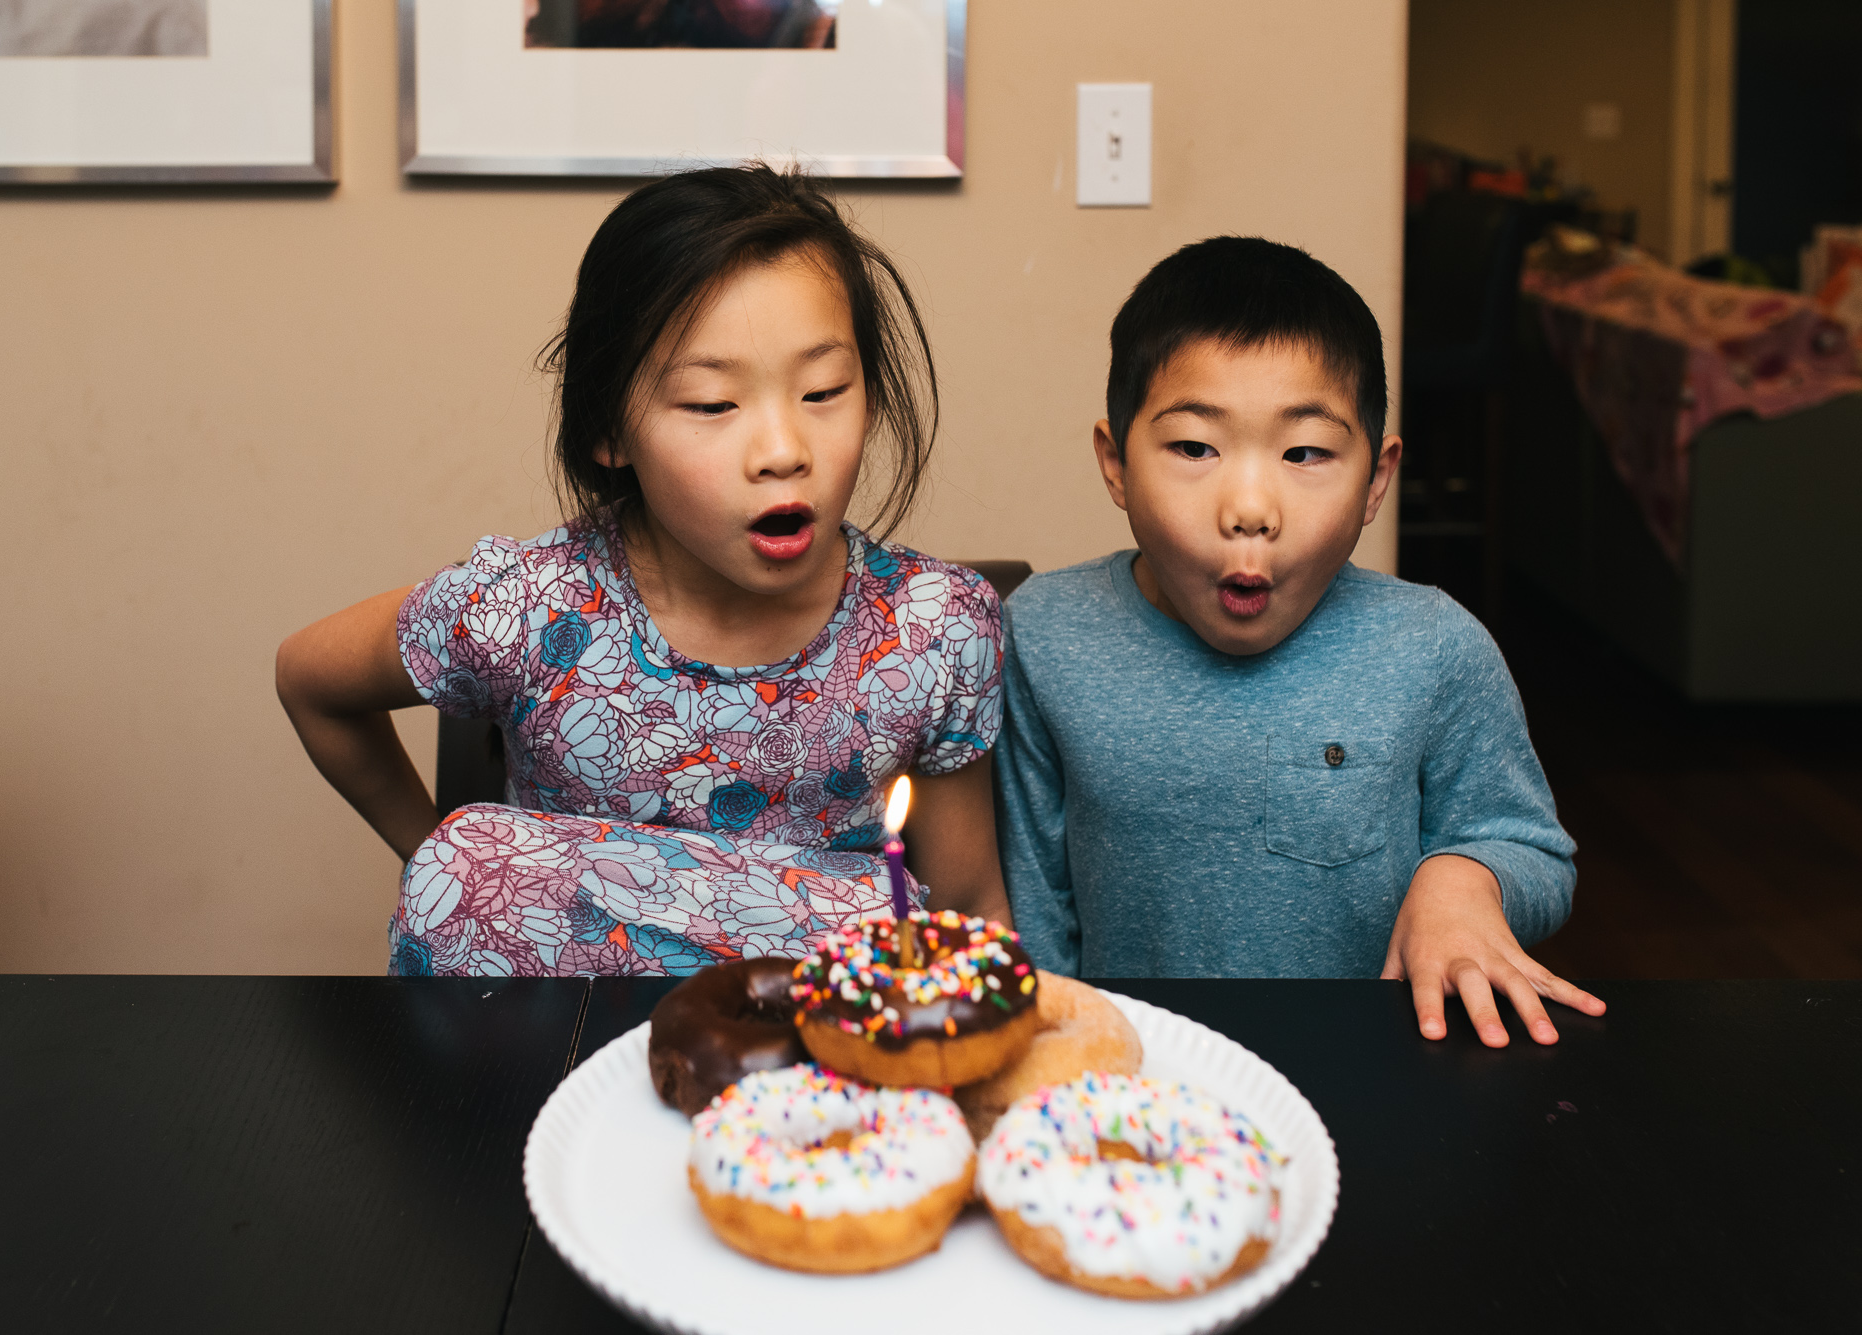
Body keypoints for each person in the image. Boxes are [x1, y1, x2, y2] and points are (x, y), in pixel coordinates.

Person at [277, 165, 1006, 977]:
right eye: (711, 404)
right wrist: (436, 865)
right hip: (573, 1055)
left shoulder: (935, 628)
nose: (784, 452)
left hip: (820, 1057)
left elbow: (969, 911)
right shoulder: (527, 608)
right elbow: (309, 676)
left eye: (824, 390)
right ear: (610, 431)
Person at [996, 236, 1606, 1047]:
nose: (1251, 506)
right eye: (1193, 448)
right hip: (1138, 1092)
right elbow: (1031, 918)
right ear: (1116, 464)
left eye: (1307, 452)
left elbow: (1531, 848)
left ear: (1375, 481)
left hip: (1376, 1083)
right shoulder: (1043, 636)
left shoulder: (1434, 648)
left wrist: (1464, 878)